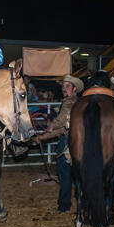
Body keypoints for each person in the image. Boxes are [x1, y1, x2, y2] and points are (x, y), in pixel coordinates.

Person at [34, 75, 84, 213]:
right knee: (72, 174)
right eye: (63, 86)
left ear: (74, 89)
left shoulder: (70, 102)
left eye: (67, 86)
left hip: (67, 142)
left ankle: (64, 205)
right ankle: (70, 204)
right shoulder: (75, 102)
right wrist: (44, 137)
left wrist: (51, 126)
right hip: (74, 139)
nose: (64, 89)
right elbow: (62, 128)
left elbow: (61, 121)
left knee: (64, 174)